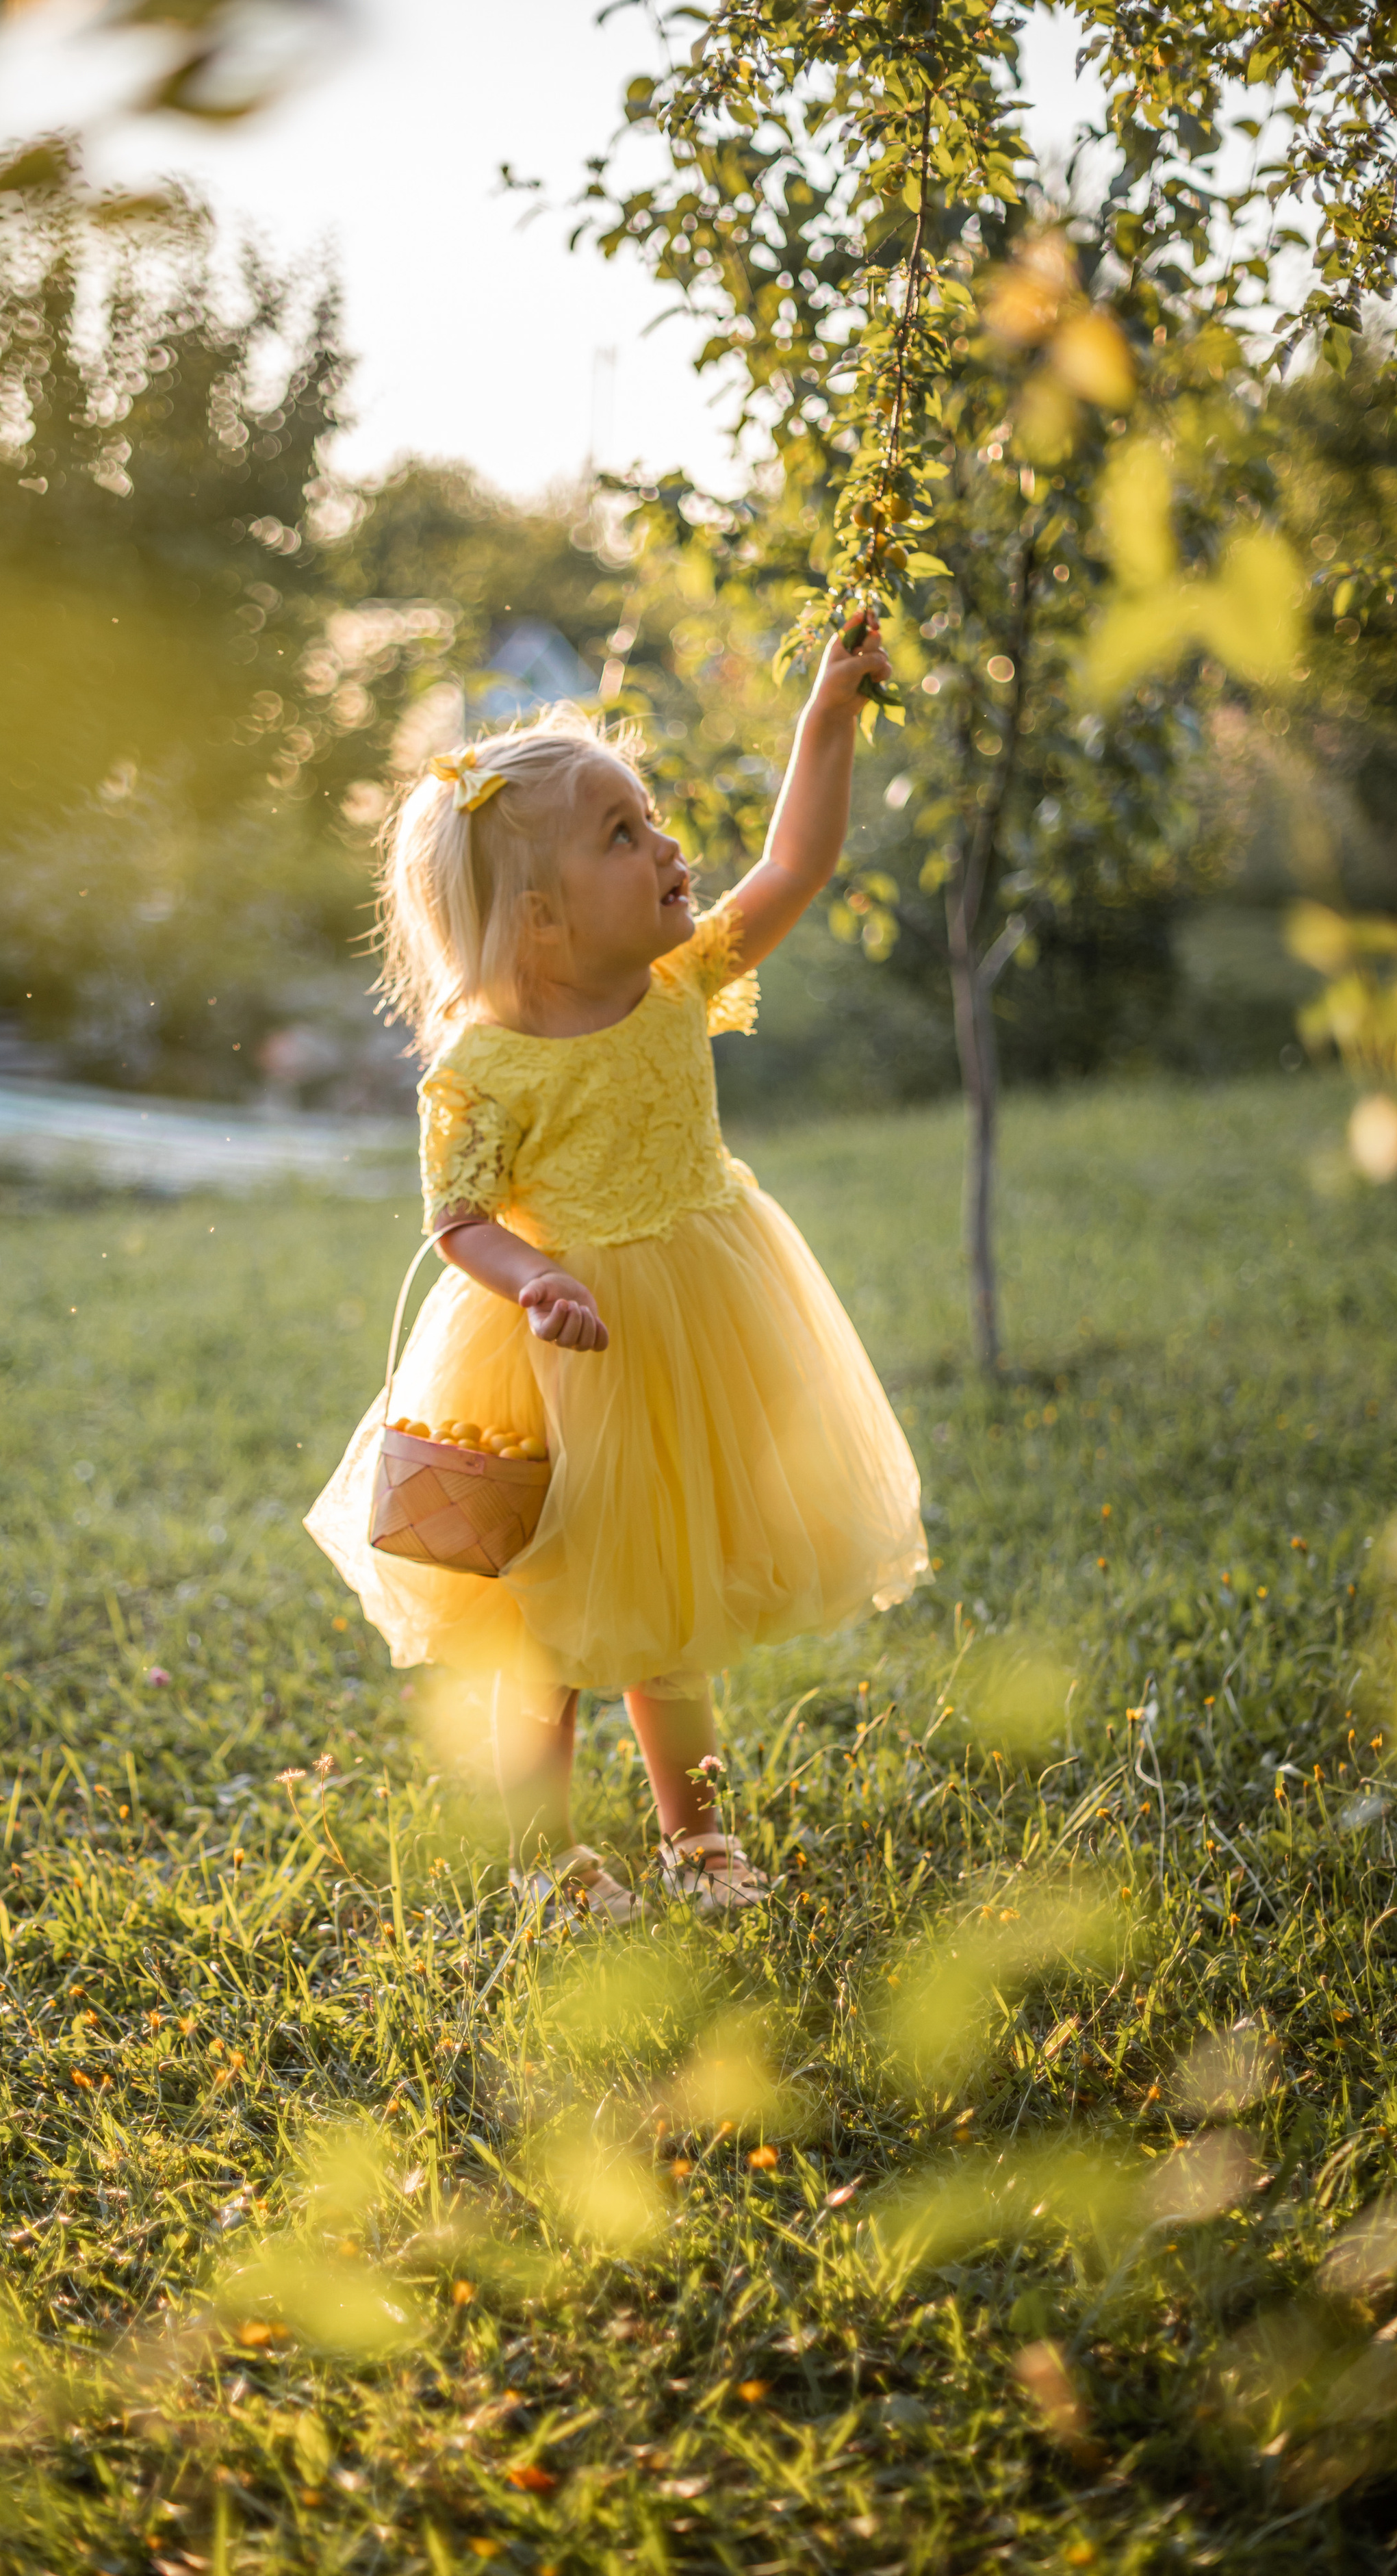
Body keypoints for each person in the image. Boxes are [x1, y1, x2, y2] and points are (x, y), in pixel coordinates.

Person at [305, 615, 926, 1918]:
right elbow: (455, 1218)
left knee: (664, 1599)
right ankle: (546, 1855)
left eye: (649, 820)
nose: (665, 848)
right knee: (548, 1623)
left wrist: (823, 720)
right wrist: (530, 1278)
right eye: (623, 836)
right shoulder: (486, 1066)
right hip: (557, 1352)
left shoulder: (680, 981)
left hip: (694, 1322)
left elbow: (796, 862)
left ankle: (695, 1839)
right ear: (537, 922)